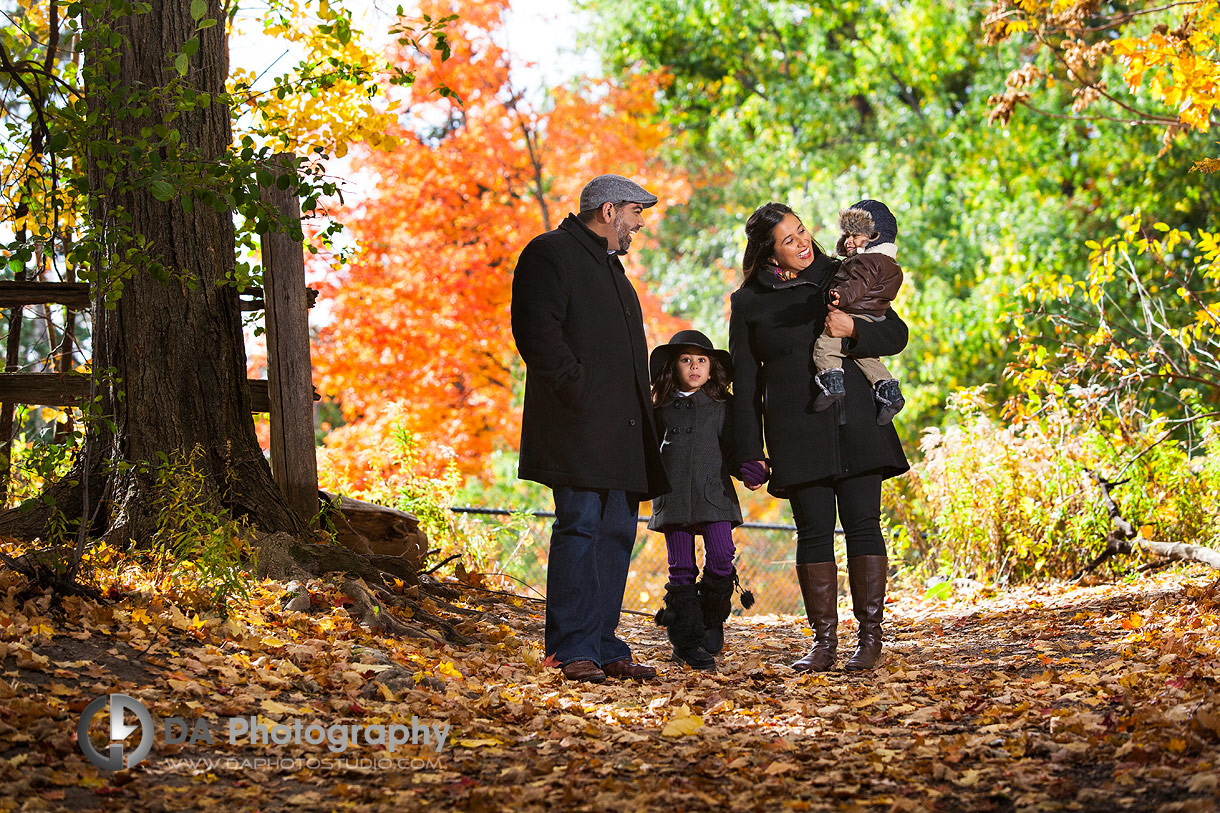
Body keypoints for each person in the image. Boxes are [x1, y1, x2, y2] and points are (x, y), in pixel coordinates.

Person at [729, 202, 910, 673]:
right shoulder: (749, 302)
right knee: (812, 532)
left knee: (864, 525)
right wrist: (749, 450)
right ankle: (824, 643)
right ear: (768, 252)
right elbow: (745, 383)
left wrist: (852, 332)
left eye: (802, 231)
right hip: (797, 429)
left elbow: (894, 333)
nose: (802, 242)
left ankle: (870, 639)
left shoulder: (843, 272)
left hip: (858, 422)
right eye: (788, 240)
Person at [511, 174, 671, 684]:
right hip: (577, 425)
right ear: (608, 210)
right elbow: (536, 332)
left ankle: (602, 642)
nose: (638, 224)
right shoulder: (550, 252)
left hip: (623, 431)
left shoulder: (611, 269)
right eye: (635, 213)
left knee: (617, 532)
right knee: (579, 527)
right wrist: (576, 391)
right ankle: (571, 647)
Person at [647, 330, 758, 671]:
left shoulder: (723, 406)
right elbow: (647, 452)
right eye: (685, 360)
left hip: (714, 493)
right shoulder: (660, 408)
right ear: (673, 366)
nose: (693, 366)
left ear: (711, 368)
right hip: (673, 495)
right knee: (681, 569)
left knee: (723, 556)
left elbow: (735, 447)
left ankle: (711, 616)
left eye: (701, 360)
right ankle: (686, 642)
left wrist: (748, 466)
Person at [811, 200, 907, 424]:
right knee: (867, 357)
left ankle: (831, 382)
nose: (849, 241)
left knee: (825, 345)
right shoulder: (887, 264)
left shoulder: (865, 263)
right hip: (872, 315)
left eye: (856, 235)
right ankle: (889, 391)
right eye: (847, 235)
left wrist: (840, 296)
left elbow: (857, 285)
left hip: (854, 312)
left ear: (875, 236)